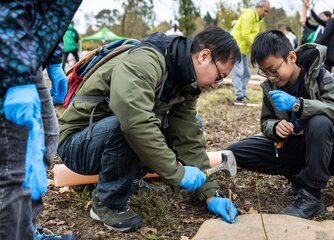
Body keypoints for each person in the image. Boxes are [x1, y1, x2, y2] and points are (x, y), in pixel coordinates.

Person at [57, 27, 241, 232]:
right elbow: (135, 121)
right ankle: (107, 203)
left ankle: (129, 179)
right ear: (204, 56)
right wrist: (176, 172)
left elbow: (188, 137)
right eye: (219, 76)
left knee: (182, 123)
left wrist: (210, 194)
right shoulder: (146, 62)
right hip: (77, 143)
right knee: (134, 123)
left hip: (107, 137)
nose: (217, 84)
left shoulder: (186, 83)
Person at [228, 30, 334, 219]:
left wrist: (297, 104)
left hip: (329, 150)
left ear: (291, 57)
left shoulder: (320, 76)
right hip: (295, 145)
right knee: (237, 150)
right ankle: (300, 176)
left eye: (274, 70)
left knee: (319, 123)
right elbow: (266, 121)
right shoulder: (272, 86)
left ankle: (312, 196)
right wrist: (275, 127)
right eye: (265, 73)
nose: (272, 77)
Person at [0, 1, 82, 240]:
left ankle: (26, 229)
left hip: (27, 58)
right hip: (8, 54)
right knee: (13, 166)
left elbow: (49, 13)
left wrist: (54, 60)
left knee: (46, 138)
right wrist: (16, 79)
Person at [230, 0, 270, 105]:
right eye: (265, 11)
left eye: (267, 12)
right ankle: (239, 97)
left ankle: (242, 94)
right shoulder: (249, 16)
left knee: (247, 73)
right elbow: (245, 34)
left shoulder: (257, 20)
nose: (265, 14)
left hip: (244, 49)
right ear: (258, 7)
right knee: (238, 72)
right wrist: (256, 47)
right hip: (236, 46)